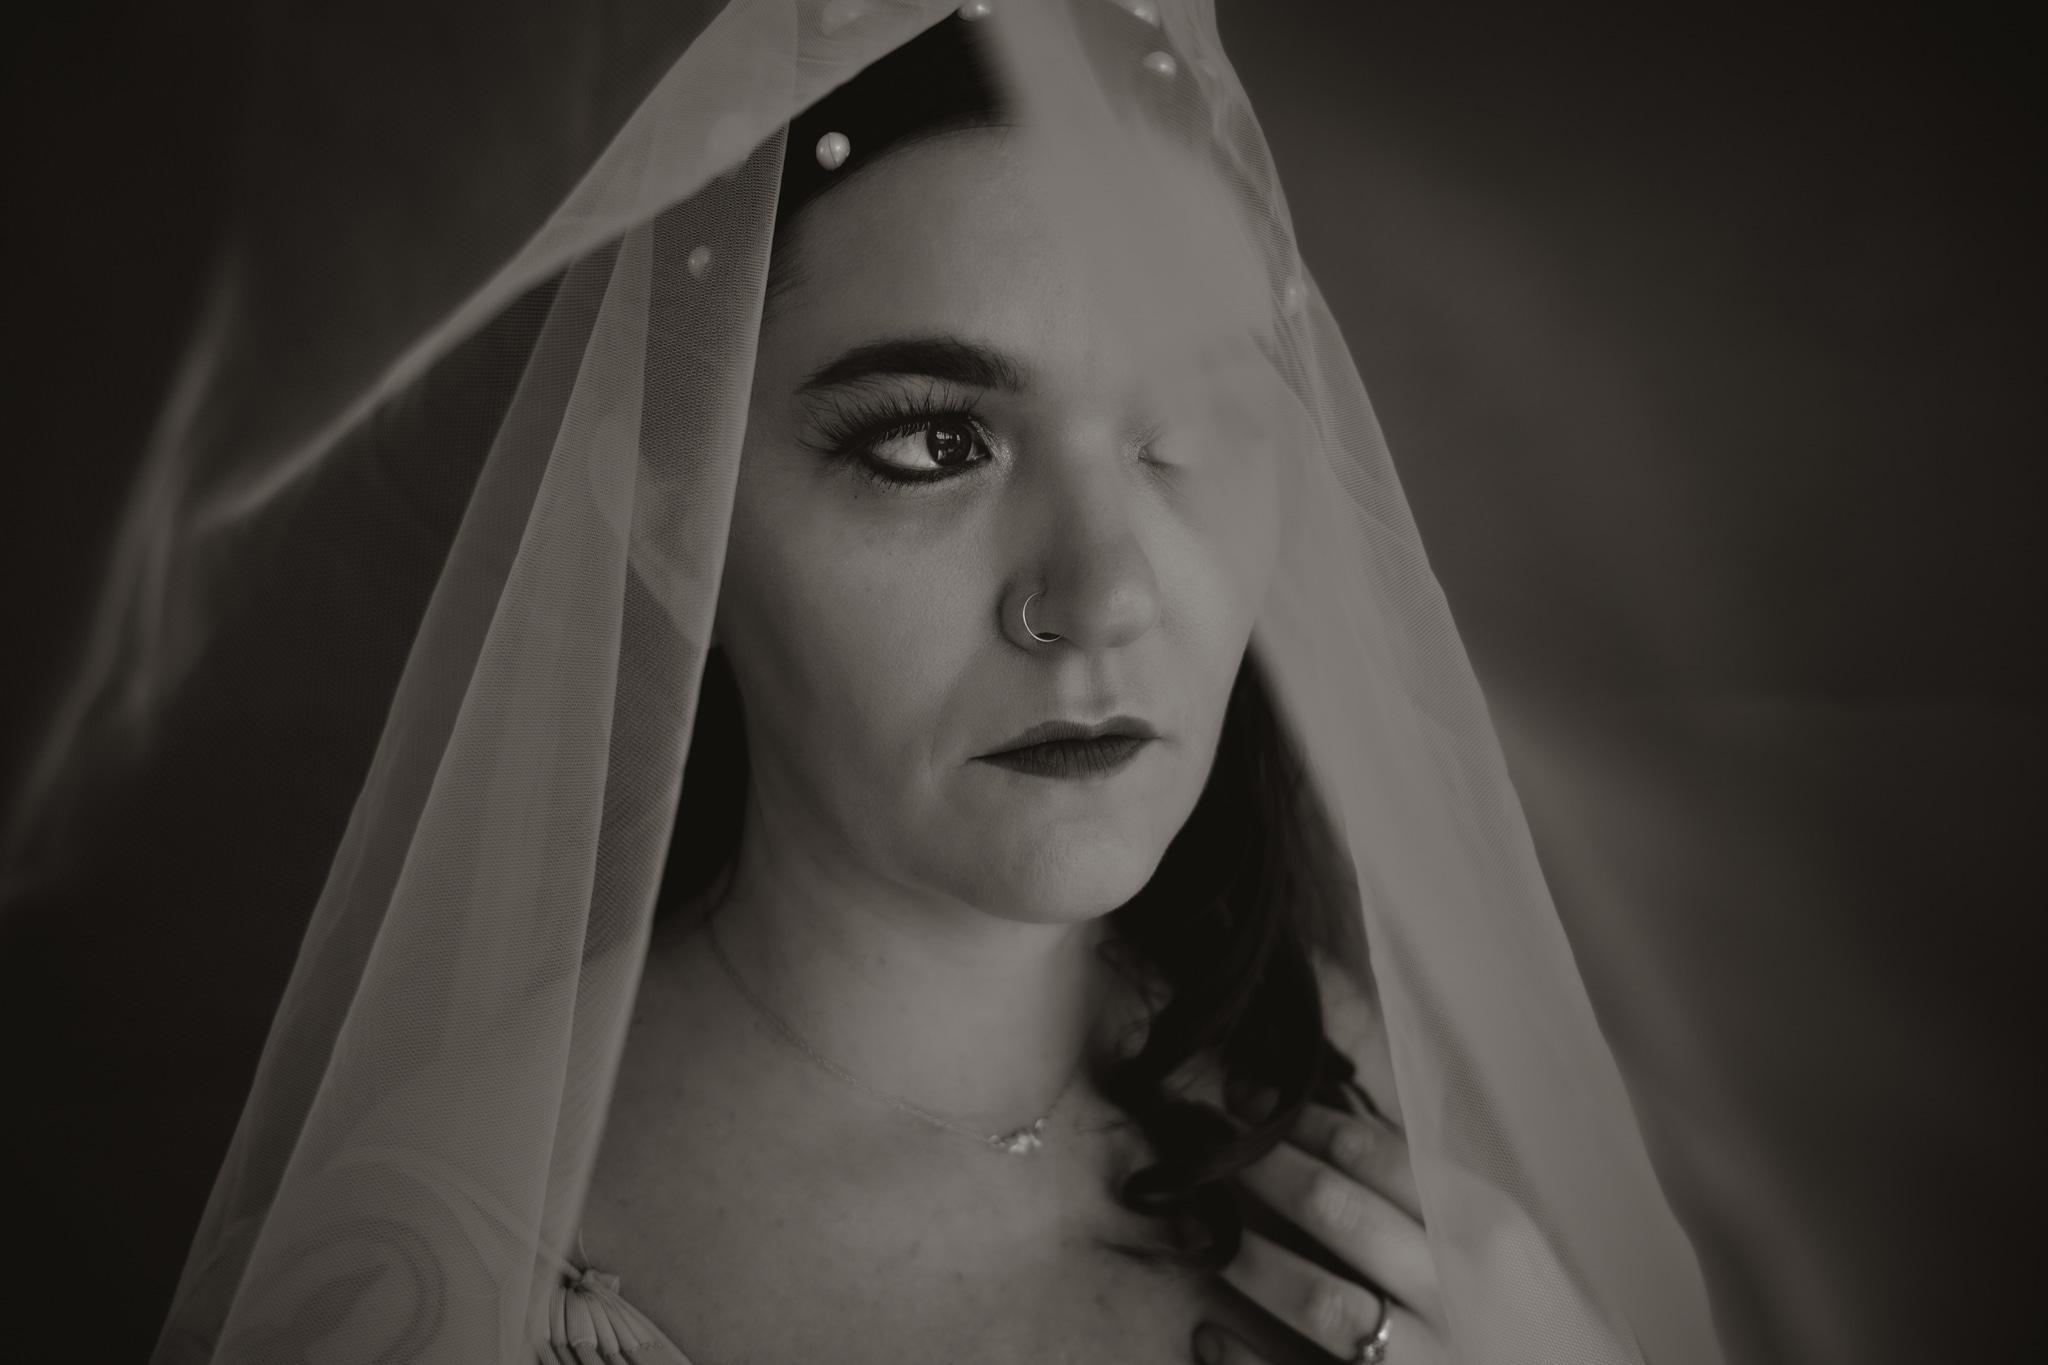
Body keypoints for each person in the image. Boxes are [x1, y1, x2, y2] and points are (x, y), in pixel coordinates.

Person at [6, 3, 1724, 1362]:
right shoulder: (422, 1286)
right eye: (933, 442)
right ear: (671, 510)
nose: (1102, 594)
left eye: (1191, 430)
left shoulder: (1351, 1072)